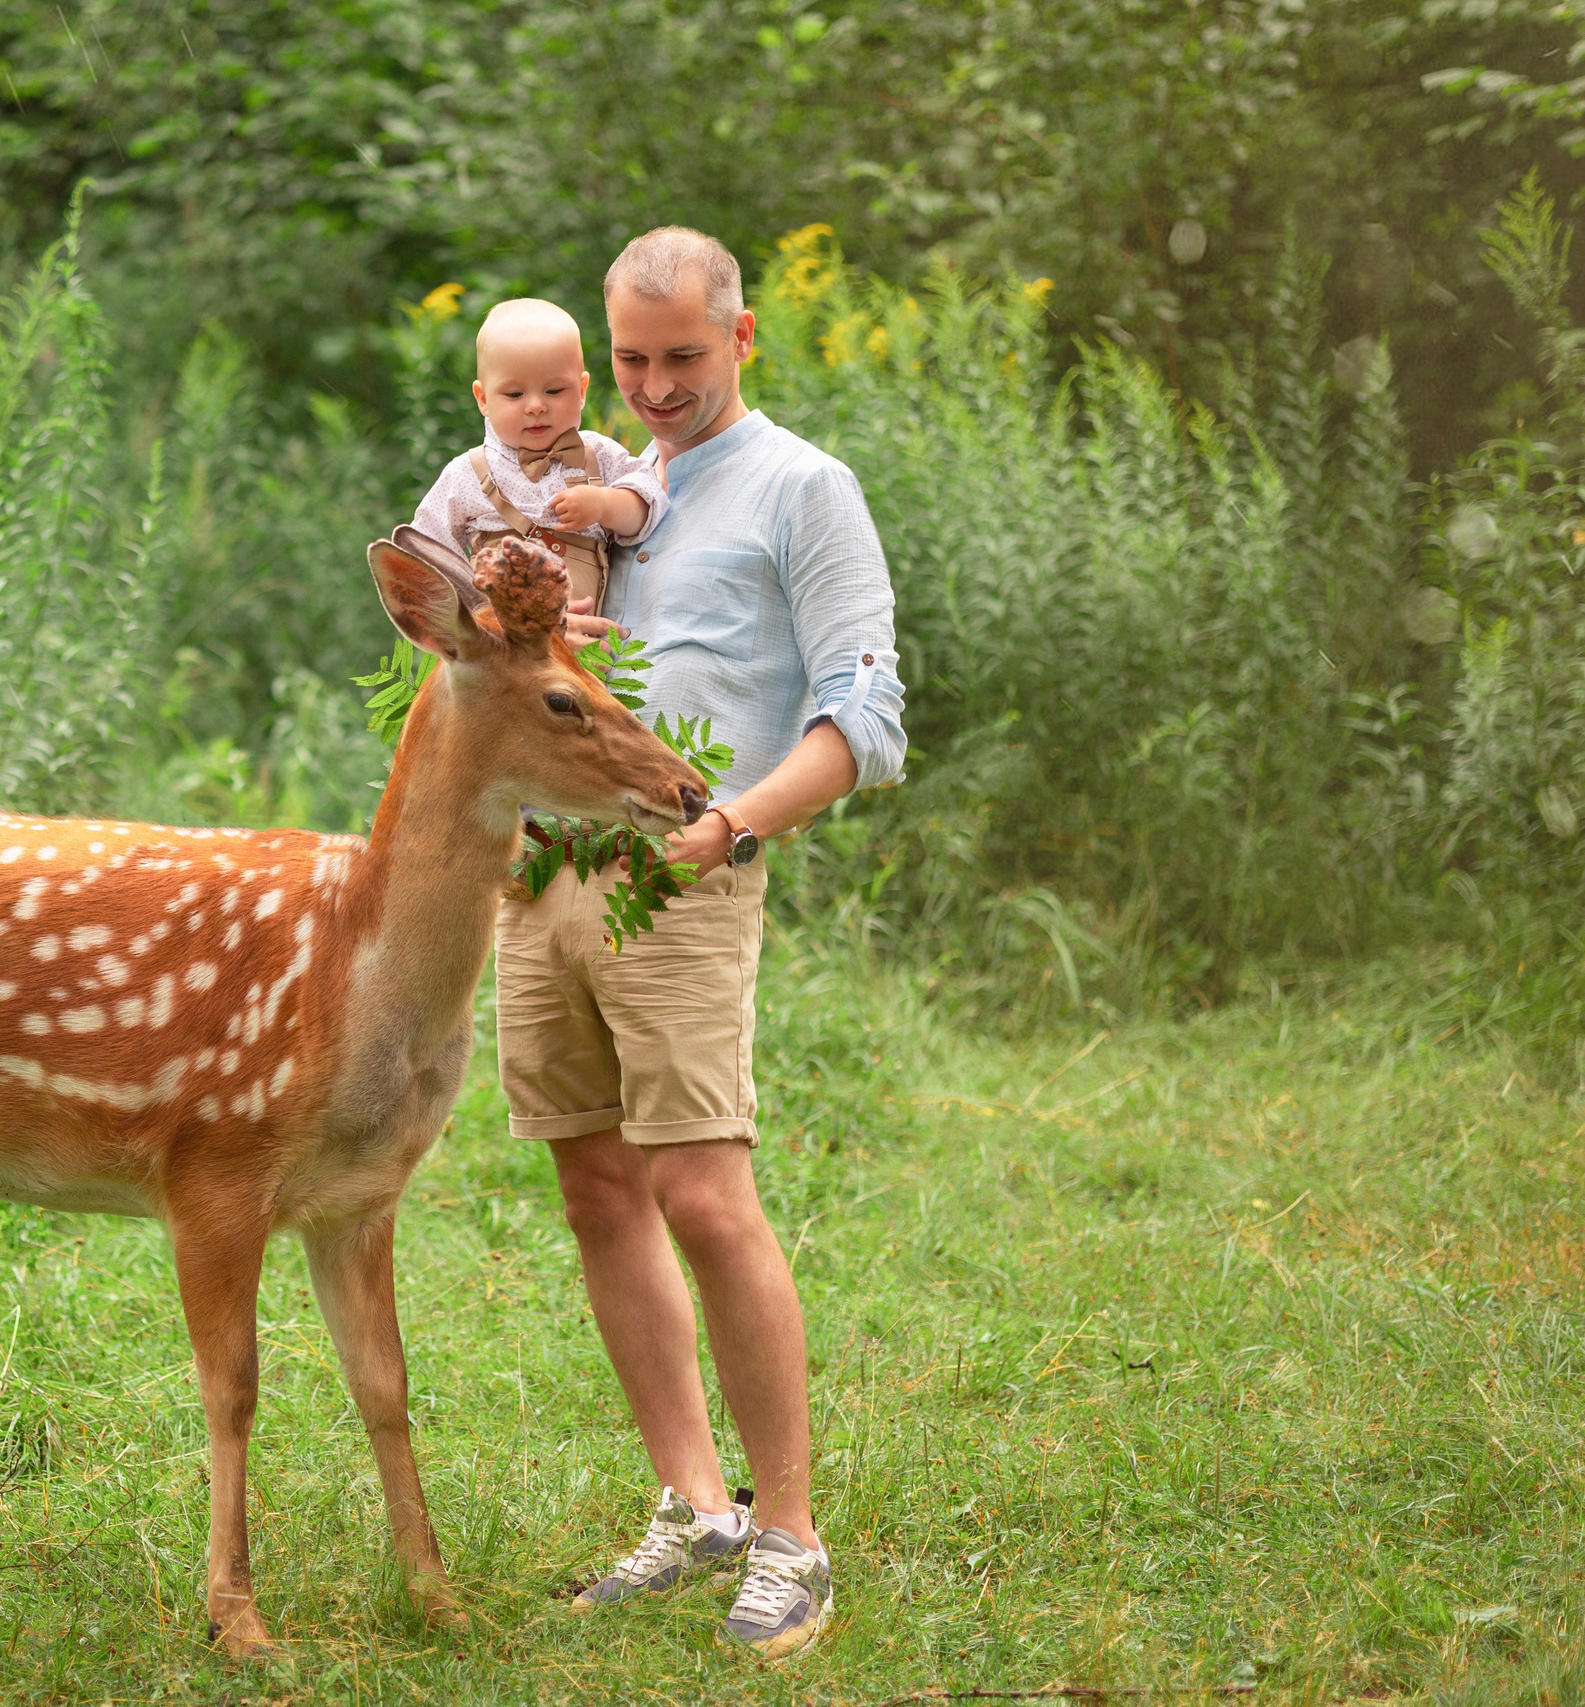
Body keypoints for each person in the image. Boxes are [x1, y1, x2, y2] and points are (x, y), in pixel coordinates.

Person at [492, 226, 906, 1662]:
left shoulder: (804, 486)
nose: (656, 387)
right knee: (598, 1187)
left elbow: (865, 719)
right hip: (543, 870)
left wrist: (730, 827)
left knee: (703, 1193)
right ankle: (695, 1503)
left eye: (684, 357)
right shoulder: (581, 481)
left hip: (689, 868)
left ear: (741, 340)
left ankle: (791, 1533)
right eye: (633, 360)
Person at [411, 298, 668, 613]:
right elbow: (425, 550)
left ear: (582, 390)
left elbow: (650, 502)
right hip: (502, 648)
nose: (535, 406)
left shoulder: (597, 455)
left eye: (554, 391)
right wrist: (475, 614)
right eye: (515, 394)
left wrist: (605, 505)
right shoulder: (467, 473)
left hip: (587, 650)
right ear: (483, 399)